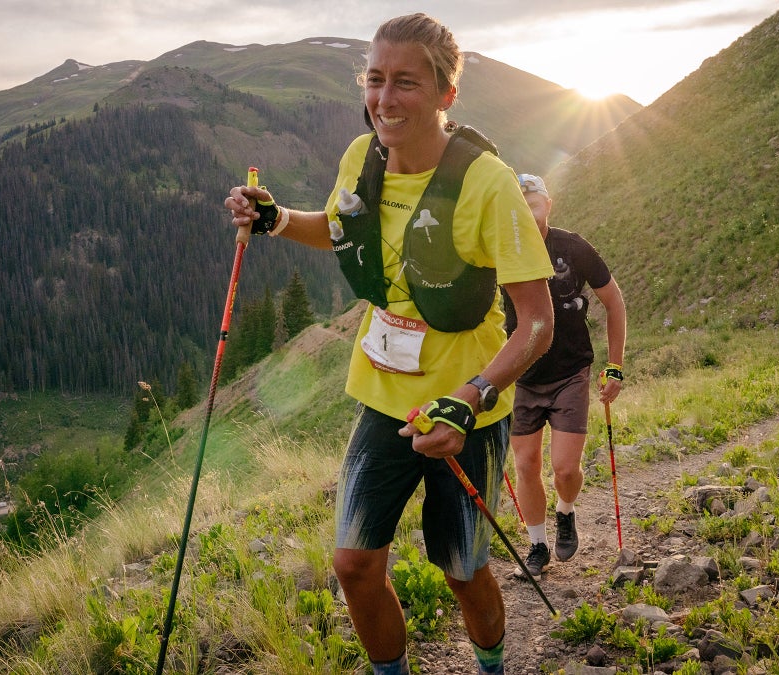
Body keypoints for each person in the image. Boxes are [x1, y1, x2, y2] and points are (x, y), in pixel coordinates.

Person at [224, 13, 553, 675]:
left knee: (462, 569)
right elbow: (342, 230)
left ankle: (491, 665)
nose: (385, 98)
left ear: (444, 95)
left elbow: (537, 322)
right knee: (353, 563)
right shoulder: (361, 156)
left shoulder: (488, 184)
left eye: (406, 82)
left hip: (468, 411)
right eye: (376, 79)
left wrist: (470, 397)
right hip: (384, 396)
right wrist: (276, 219)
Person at [503, 173, 626, 579]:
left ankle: (566, 511)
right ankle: (537, 545)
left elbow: (614, 303)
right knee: (525, 464)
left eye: (533, 196)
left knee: (565, 469)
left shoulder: (573, 248)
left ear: (548, 202)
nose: (526, 202)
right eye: (519, 198)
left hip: (572, 372)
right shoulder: (501, 251)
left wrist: (615, 366)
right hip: (522, 375)